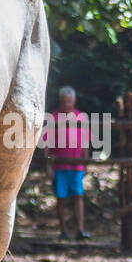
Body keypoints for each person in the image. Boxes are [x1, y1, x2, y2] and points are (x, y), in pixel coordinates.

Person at [49, 86, 89, 240]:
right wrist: (48, 165)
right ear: (61, 101)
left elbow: (85, 142)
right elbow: (47, 143)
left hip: (76, 165)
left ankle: (80, 230)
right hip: (59, 165)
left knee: (78, 195)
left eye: (70, 102)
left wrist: (85, 163)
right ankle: (63, 231)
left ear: (74, 101)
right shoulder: (54, 117)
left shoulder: (81, 118)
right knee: (61, 198)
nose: (67, 105)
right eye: (65, 102)